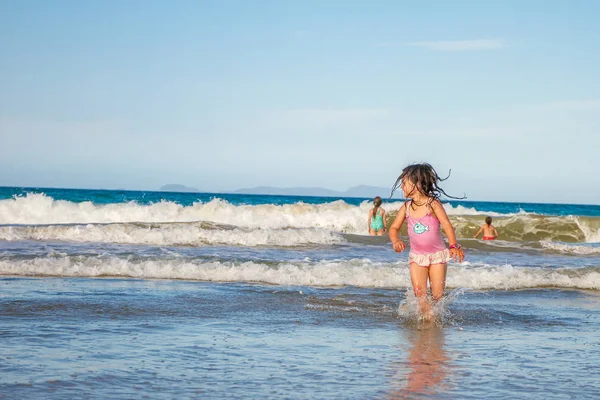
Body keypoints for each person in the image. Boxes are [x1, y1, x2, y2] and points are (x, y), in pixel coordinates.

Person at [388, 163, 465, 319]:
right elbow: (393, 228)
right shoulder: (406, 207)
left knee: (437, 296)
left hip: (437, 256)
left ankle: (434, 325)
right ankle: (426, 320)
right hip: (417, 257)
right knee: (420, 294)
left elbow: (447, 225)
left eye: (404, 183)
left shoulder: (433, 204)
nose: (401, 187)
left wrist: (453, 246)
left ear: (416, 184)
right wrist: (395, 241)